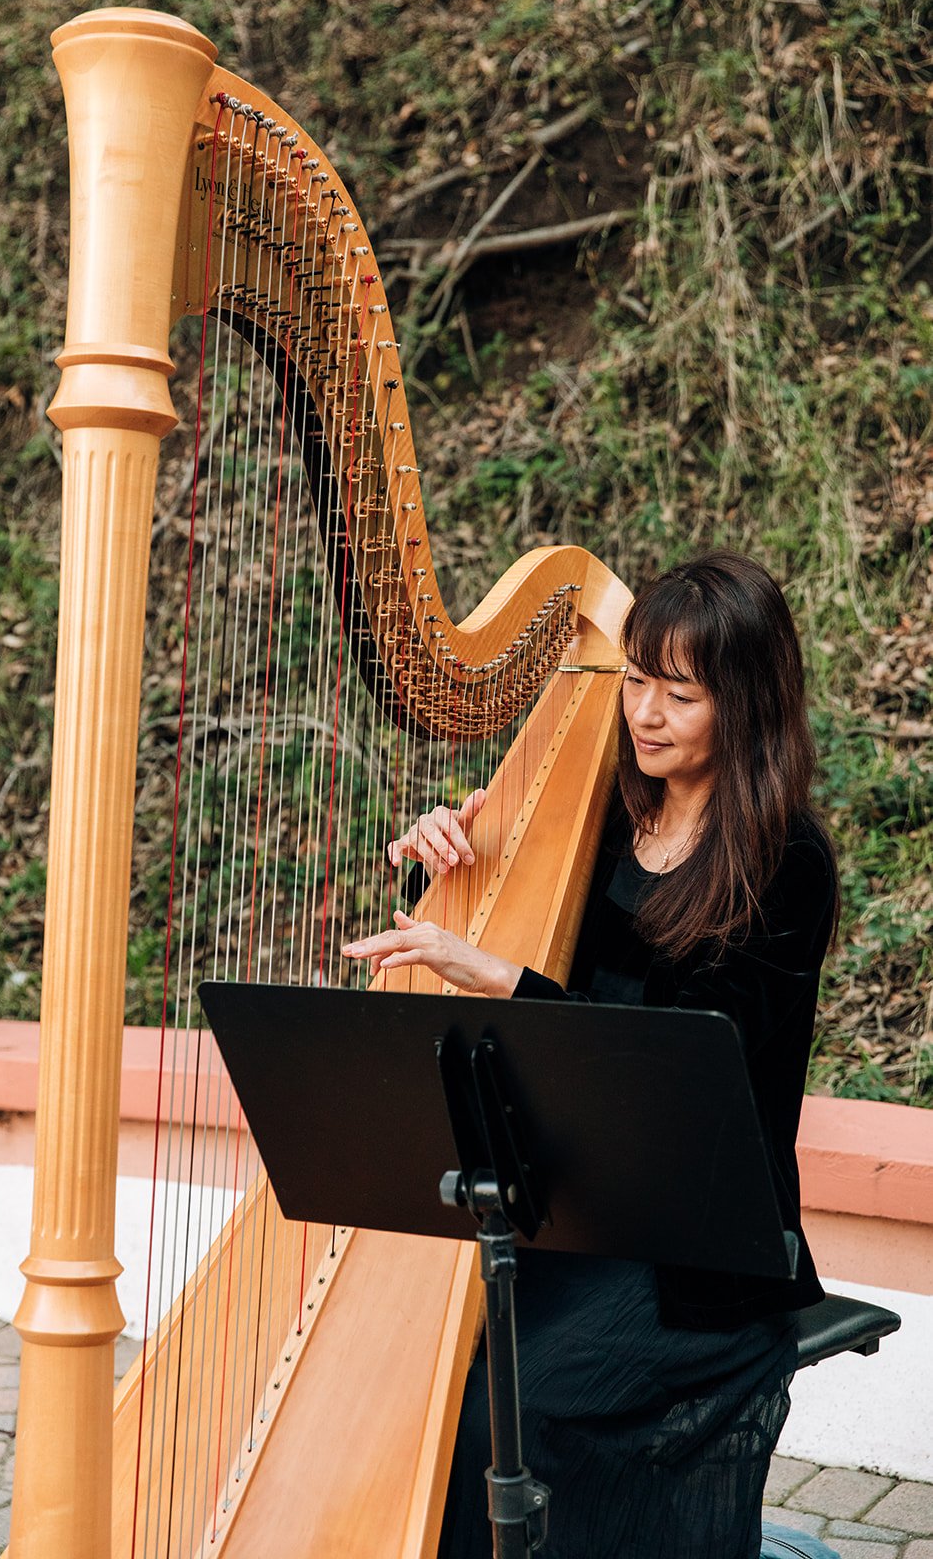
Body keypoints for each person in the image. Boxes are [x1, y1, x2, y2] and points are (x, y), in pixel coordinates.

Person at [342, 551, 840, 1559]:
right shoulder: (600, 809)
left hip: (695, 1240)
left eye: (680, 692)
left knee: (496, 1421)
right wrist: (447, 844)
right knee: (409, 1382)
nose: (645, 713)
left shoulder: (783, 861)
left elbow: (672, 1069)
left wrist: (492, 976)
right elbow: (502, 915)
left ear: (744, 702)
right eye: (636, 679)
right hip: (572, 1199)